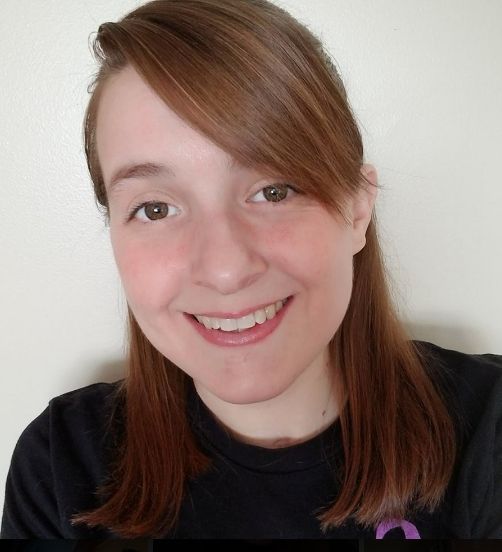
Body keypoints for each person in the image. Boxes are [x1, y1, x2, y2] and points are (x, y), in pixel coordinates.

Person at [1, 0, 501, 540]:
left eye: (274, 191)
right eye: (155, 209)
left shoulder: (488, 432)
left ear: (357, 210)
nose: (225, 270)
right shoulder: (61, 465)